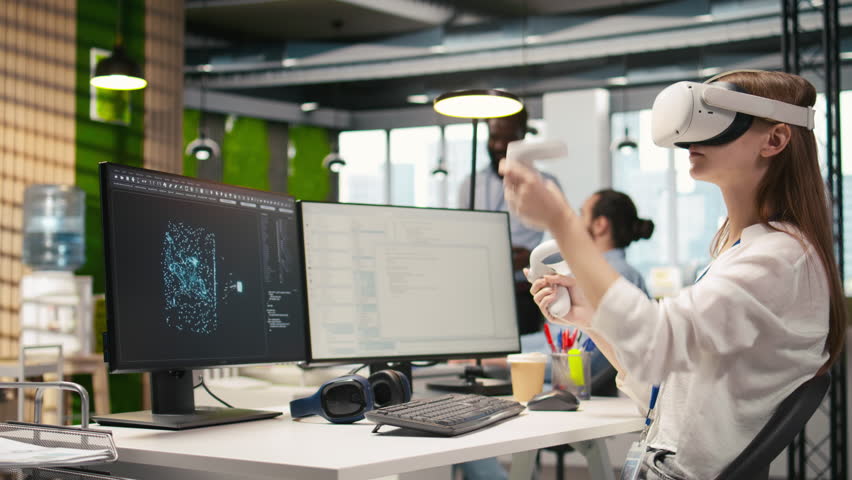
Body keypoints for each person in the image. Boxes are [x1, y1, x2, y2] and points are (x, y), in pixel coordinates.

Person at [501, 70, 846, 479]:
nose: (693, 136)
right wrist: (589, 318)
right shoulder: (744, 251)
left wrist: (561, 221)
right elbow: (663, 388)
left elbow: (656, 342)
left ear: (774, 140)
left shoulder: (778, 259)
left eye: (718, 117)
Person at [521, 188, 654, 394]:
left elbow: (584, 363)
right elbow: (558, 336)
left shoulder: (614, 277)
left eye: (582, 214)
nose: (577, 221)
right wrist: (508, 351)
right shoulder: (590, 273)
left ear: (600, 225)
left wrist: (503, 359)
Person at [457, 108, 563, 335]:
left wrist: (533, 259)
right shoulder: (471, 184)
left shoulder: (544, 184)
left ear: (523, 135)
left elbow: (563, 244)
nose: (498, 145)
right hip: (481, 291)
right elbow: (461, 239)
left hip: (524, 292)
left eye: (508, 139)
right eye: (494, 137)